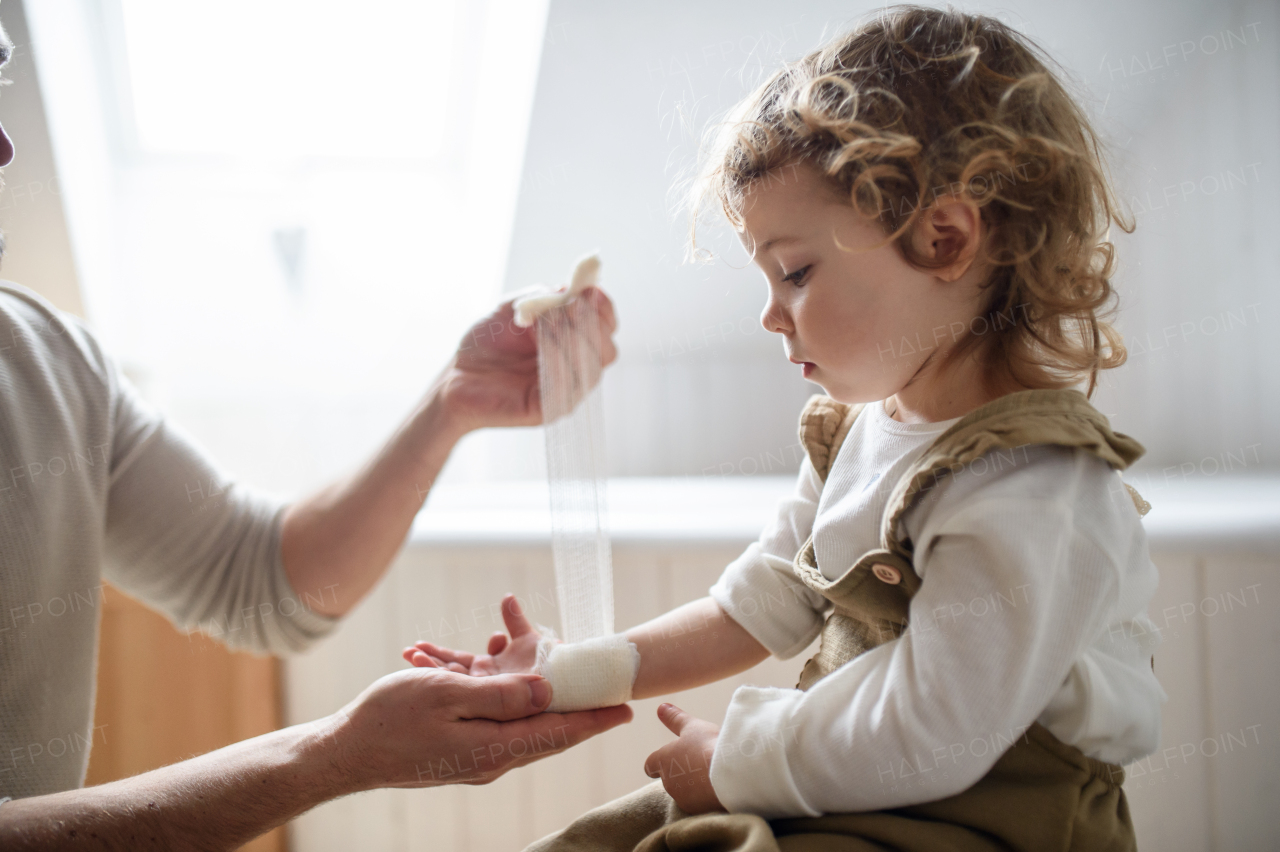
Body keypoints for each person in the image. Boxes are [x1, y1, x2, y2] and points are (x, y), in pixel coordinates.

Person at [406, 7, 1165, 850]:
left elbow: (937, 729)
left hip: (993, 818)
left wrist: (736, 759)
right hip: (862, 787)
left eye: (796, 272)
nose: (771, 315)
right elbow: (757, 603)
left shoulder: (1033, 484)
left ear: (944, 238)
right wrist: (573, 674)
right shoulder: (859, 436)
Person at [0, 19, 632, 850]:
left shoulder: (49, 364)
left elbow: (260, 584)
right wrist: (329, 759)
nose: (8, 148)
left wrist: (455, 403)